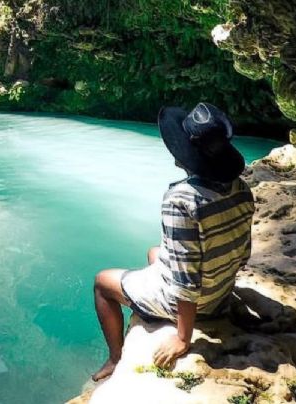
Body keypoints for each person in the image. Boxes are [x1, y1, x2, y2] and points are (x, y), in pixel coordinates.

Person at [91, 103, 255, 381]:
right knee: (154, 252)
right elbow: (242, 255)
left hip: (200, 303)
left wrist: (182, 338)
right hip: (221, 291)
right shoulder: (242, 189)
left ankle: (116, 358)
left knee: (102, 282)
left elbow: (186, 282)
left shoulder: (181, 200)